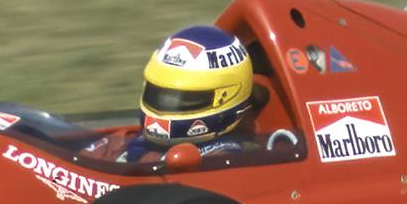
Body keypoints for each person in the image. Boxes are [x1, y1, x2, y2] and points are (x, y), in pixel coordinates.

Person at [93, 24, 293, 164]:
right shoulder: (133, 143)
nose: (165, 106)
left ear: (225, 98)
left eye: (184, 98)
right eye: (158, 93)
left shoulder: (218, 161)